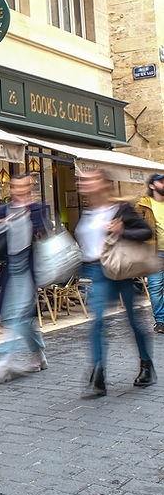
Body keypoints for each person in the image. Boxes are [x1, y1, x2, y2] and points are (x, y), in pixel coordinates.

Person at [76, 169, 156, 396]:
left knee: (133, 319)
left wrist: (123, 230)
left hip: (120, 269)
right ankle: (99, 373)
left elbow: (146, 231)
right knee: (98, 321)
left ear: (103, 184)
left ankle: (146, 365)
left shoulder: (120, 209)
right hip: (96, 271)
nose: (84, 183)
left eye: (90, 180)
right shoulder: (87, 212)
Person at [0, 173, 51, 383]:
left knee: (14, 315)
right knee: (23, 317)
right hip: (9, 270)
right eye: (15, 186)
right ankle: (39, 355)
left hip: (29, 270)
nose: (19, 190)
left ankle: (4, 361)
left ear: (30, 188)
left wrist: (30, 216)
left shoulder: (37, 209)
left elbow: (46, 234)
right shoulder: (2, 210)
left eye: (23, 186)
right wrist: (1, 223)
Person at [135, 173, 164, 334]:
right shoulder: (143, 205)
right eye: (161, 181)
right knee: (155, 287)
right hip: (154, 253)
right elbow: (133, 226)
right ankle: (160, 321)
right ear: (152, 185)